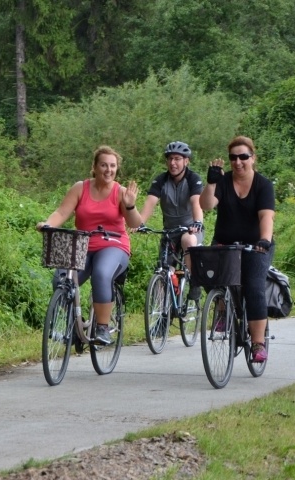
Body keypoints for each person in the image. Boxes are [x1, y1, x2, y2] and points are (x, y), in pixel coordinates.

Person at [37, 146, 141, 345]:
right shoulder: (80, 188)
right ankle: (75, 325)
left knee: (102, 273)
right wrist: (48, 224)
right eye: (103, 165)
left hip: (114, 244)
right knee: (60, 279)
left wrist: (130, 205)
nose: (108, 170)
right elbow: (61, 212)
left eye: (112, 166)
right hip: (83, 245)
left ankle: (102, 328)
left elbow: (135, 223)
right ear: (94, 167)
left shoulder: (120, 192)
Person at [200, 136, 275, 362]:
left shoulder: (263, 185)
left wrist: (264, 240)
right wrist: (211, 183)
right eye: (233, 157)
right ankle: (222, 309)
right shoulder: (223, 182)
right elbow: (206, 205)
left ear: (253, 158)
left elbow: (266, 216)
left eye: (243, 156)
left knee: (253, 287)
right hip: (225, 243)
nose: (238, 162)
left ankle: (258, 344)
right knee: (211, 276)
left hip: (256, 246)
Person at [137, 141, 204, 300]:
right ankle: (161, 312)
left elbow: (196, 202)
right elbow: (150, 203)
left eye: (177, 159)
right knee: (163, 271)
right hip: (169, 232)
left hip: (190, 230)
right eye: (170, 159)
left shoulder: (193, 179)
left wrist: (198, 222)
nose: (173, 163)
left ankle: (194, 282)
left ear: (186, 161)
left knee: (188, 240)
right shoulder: (160, 180)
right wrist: (139, 223)